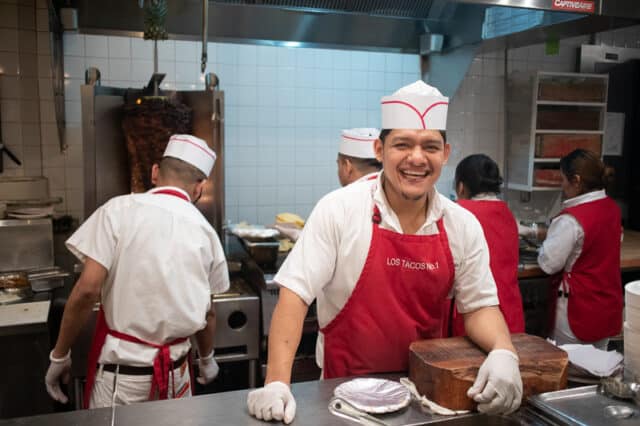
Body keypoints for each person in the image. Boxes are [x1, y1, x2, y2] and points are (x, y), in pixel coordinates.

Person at [247, 81, 522, 424]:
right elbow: (295, 295)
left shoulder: (461, 225)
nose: (417, 158)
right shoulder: (339, 210)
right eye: (402, 144)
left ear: (446, 154)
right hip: (342, 397)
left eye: (430, 147)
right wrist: (276, 383)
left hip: (424, 395)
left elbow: (479, 305)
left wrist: (503, 351)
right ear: (379, 149)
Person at [44, 134, 230, 408]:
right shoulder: (206, 232)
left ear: (155, 172)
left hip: (123, 380)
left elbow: (87, 290)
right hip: (177, 376)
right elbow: (209, 312)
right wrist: (207, 359)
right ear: (199, 187)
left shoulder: (116, 211)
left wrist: (59, 356)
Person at [533, 149, 622, 349]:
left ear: (577, 180)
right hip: (607, 306)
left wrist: (544, 245)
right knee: (598, 366)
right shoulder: (612, 208)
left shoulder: (570, 219)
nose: (562, 186)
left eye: (564, 180)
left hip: (578, 309)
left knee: (572, 368)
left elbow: (548, 264)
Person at [451, 154, 525, 336]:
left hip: (474, 317)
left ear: (461, 187)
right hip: (509, 311)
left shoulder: (459, 213)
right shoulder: (506, 212)